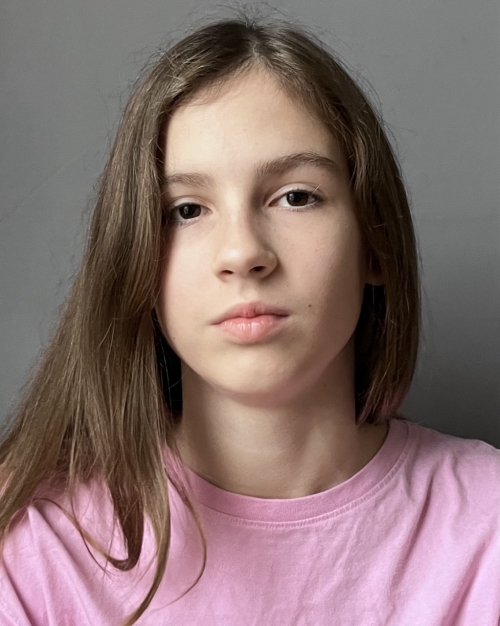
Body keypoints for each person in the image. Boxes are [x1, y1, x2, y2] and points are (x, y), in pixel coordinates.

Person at [0, 10, 499, 626]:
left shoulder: (488, 528)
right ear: (134, 258)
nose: (242, 253)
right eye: (187, 210)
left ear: (374, 243)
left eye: (296, 197)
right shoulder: (34, 546)